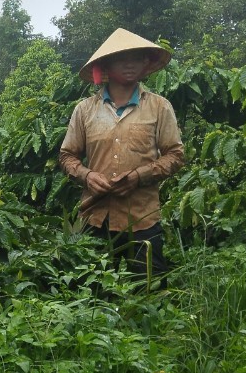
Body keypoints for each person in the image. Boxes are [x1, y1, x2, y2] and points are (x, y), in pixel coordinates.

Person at [58, 27, 184, 280]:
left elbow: (175, 155)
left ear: (145, 63)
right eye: (121, 58)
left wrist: (140, 176)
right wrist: (87, 176)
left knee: (148, 289)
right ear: (106, 65)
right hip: (95, 217)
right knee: (90, 289)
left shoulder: (159, 107)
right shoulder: (85, 110)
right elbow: (67, 156)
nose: (130, 64)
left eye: (137, 57)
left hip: (142, 216)